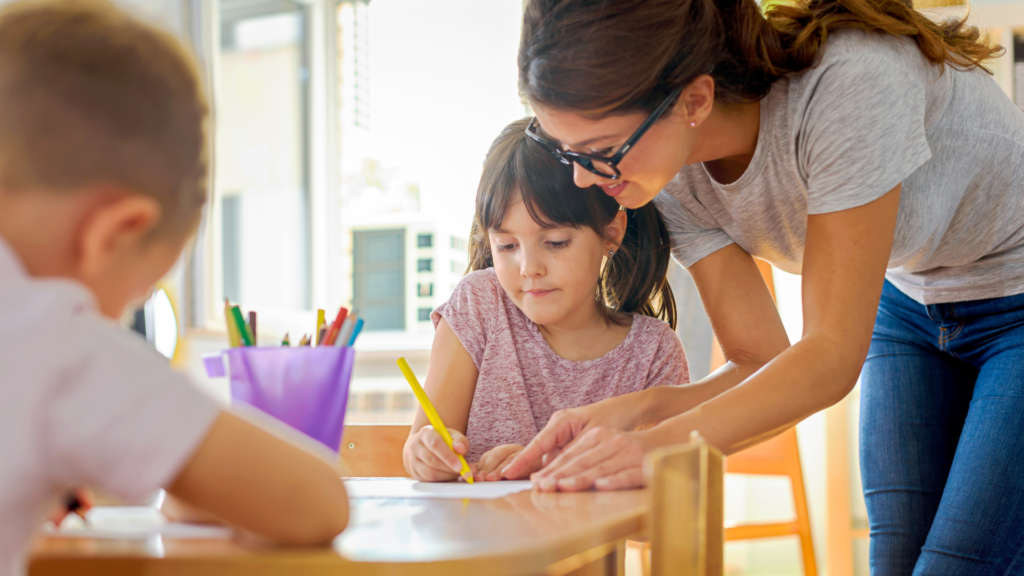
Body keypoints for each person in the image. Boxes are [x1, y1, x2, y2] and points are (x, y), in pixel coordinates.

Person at [500, 0, 1024, 573]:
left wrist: (656, 448)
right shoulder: (668, 178)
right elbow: (760, 359)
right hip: (911, 300)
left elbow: (828, 357)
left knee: (958, 563)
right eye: (567, 150)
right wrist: (633, 412)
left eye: (601, 152)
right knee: (895, 560)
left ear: (694, 100)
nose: (583, 179)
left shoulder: (850, 83)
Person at [0, 2, 348, 574]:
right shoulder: (54, 339)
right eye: (133, 296)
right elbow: (317, 503)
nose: (114, 318)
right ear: (115, 233)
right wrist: (187, 470)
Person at [402, 119, 689, 482]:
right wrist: (423, 454)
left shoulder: (654, 352)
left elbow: (669, 490)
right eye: (506, 246)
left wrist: (544, 468)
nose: (529, 268)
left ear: (611, 234)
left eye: (555, 242)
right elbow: (423, 445)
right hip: (472, 536)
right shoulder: (479, 304)